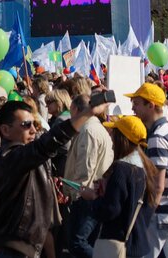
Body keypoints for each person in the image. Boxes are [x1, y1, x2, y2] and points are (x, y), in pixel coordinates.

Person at [0, 93, 109, 258]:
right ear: (5, 130)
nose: (33, 130)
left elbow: (37, 180)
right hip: (8, 250)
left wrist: (77, 189)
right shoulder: (9, 157)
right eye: (26, 124)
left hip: (22, 248)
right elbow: (46, 145)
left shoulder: (20, 158)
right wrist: (88, 112)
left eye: (34, 124)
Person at [81, 115, 159, 258]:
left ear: (121, 138)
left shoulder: (122, 169)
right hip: (137, 243)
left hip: (118, 245)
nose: (110, 138)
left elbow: (110, 210)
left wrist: (93, 197)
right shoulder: (146, 167)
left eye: (113, 133)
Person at [129, 82, 168, 258]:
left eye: (137, 103)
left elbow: (157, 186)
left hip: (161, 214)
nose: (133, 108)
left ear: (151, 105)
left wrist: (146, 215)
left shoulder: (157, 138)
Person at [62, 91, 113, 258]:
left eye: (71, 110)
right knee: (87, 241)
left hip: (87, 194)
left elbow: (85, 167)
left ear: (77, 109)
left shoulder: (89, 130)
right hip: (93, 192)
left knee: (77, 242)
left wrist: (75, 193)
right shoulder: (92, 127)